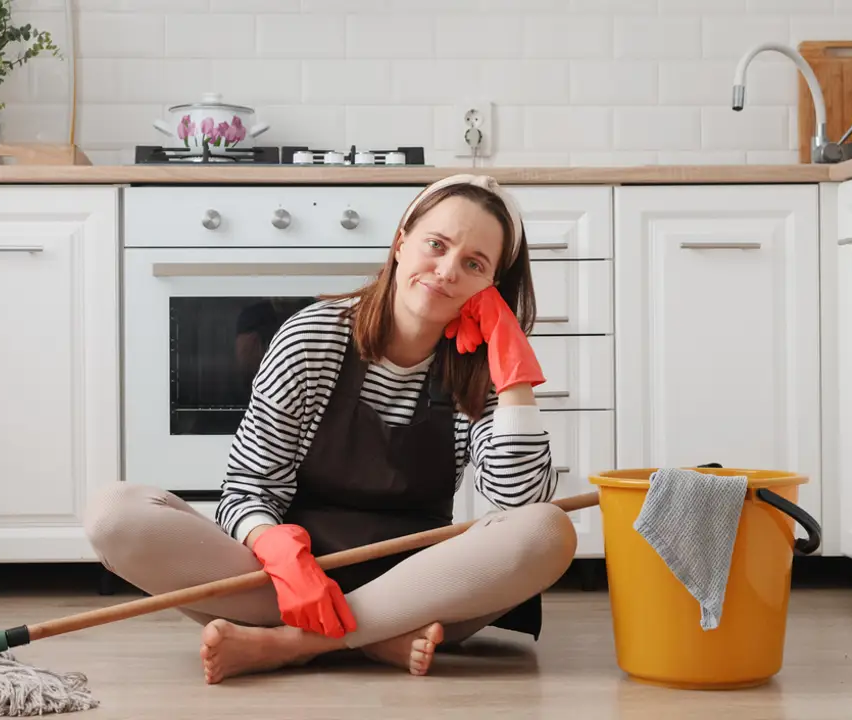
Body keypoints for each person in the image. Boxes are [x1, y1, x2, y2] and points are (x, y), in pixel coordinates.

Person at [84, 174, 577, 684]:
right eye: (437, 244)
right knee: (115, 515)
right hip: (286, 580)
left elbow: (520, 504)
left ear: (491, 286)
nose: (448, 270)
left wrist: (513, 367)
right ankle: (370, 638)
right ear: (401, 242)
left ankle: (293, 644)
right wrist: (278, 551)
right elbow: (246, 492)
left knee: (548, 531)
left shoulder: (480, 365)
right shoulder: (313, 336)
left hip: (418, 585)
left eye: (474, 264)